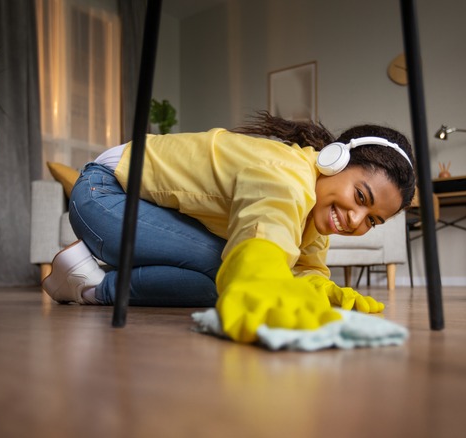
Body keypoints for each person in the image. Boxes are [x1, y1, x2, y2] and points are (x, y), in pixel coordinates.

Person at [42, 112, 416, 343]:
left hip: (138, 207)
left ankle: (86, 276)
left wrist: (324, 291)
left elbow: (304, 268)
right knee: (227, 268)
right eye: (361, 197)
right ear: (335, 160)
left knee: (218, 283)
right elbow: (263, 232)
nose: (354, 220)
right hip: (103, 193)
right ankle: (95, 287)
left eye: (372, 220)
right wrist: (262, 282)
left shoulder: (314, 215)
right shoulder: (284, 173)